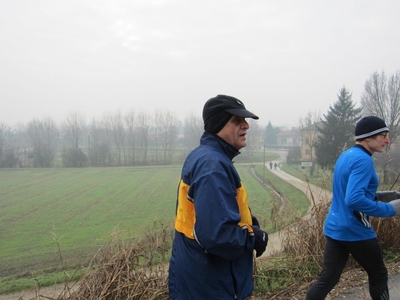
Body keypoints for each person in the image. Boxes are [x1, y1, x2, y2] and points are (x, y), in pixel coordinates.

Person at [168, 94, 268, 300]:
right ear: (218, 124)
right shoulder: (213, 166)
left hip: (200, 280)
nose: (246, 125)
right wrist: (253, 237)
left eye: (245, 120)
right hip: (210, 286)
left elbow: (217, 211)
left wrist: (249, 224)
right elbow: (218, 236)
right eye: (237, 120)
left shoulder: (206, 156)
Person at [305, 116, 400, 300]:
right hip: (356, 230)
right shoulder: (364, 160)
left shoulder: (347, 155)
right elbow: (354, 199)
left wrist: (389, 195)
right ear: (368, 137)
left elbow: (350, 192)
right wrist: (391, 209)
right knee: (378, 274)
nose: (387, 140)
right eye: (383, 135)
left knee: (328, 279)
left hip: (335, 227)